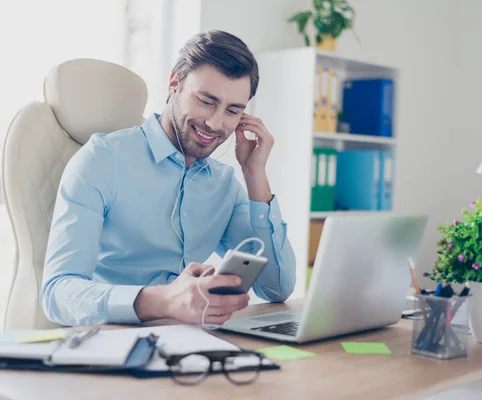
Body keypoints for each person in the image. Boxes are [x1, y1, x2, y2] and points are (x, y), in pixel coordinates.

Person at [40, 30, 296, 327]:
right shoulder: (102, 160)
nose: (215, 123)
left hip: (189, 345)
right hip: (109, 344)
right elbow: (57, 292)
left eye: (233, 110)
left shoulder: (225, 186)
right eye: (206, 101)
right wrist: (165, 301)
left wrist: (255, 175)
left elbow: (277, 289)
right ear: (175, 84)